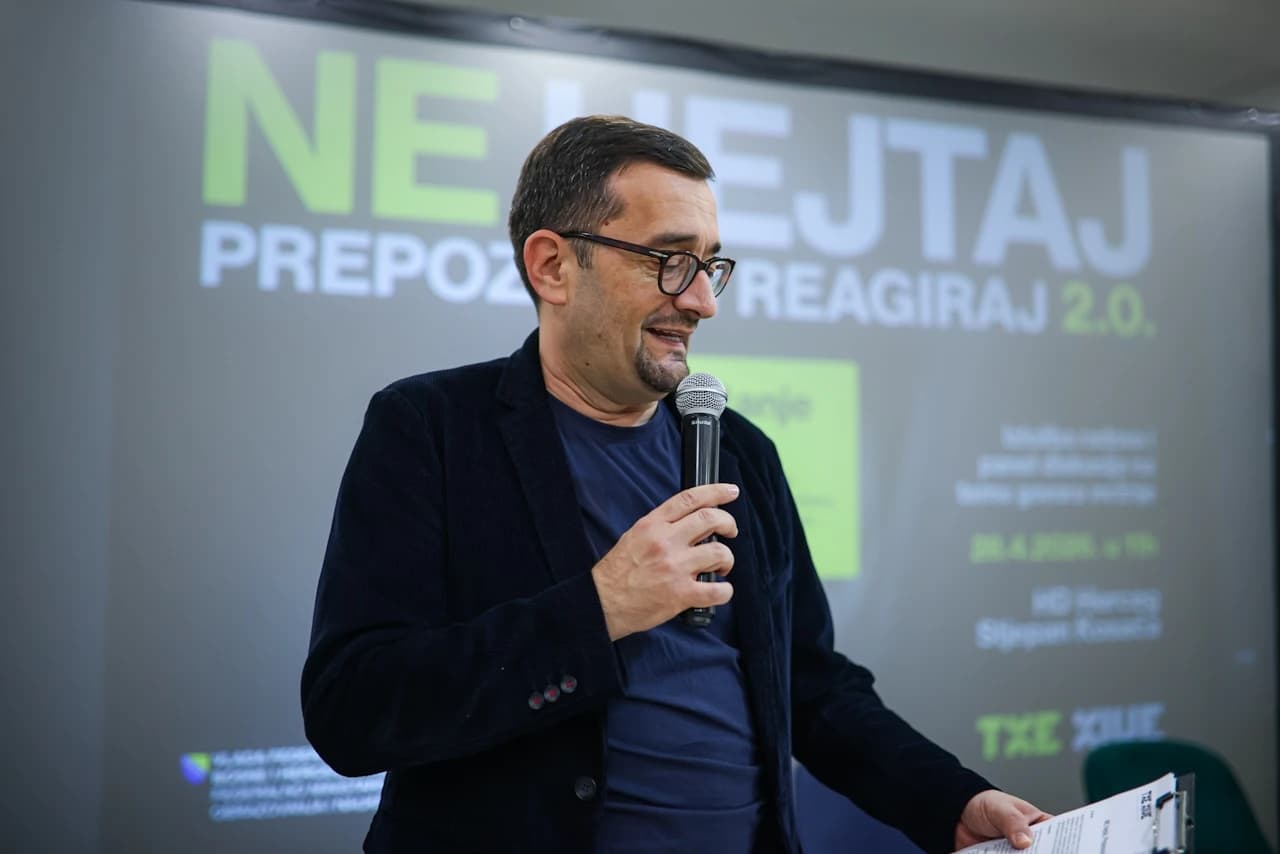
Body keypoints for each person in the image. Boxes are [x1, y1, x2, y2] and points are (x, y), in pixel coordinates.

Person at [302, 115, 1049, 853]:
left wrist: (951, 801)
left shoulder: (740, 451)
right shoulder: (432, 429)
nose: (701, 301)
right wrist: (599, 608)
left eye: (710, 266)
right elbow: (353, 706)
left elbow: (813, 687)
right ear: (552, 266)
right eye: (669, 260)